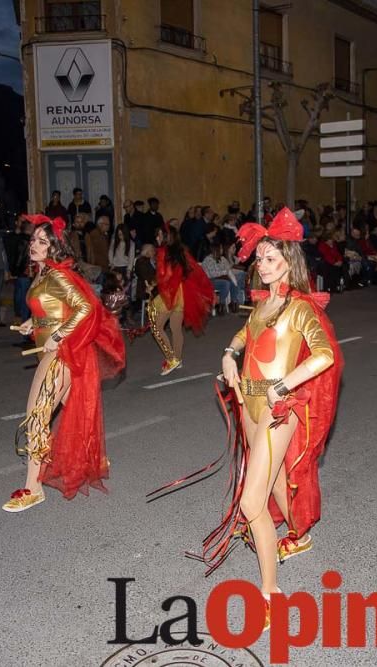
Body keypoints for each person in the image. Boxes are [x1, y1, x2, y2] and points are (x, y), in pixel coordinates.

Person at [212, 207, 342, 630]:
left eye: (271, 258)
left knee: (252, 501)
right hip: (248, 408)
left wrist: (285, 386)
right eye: (260, 258)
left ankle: (271, 594)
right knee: (270, 484)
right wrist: (229, 359)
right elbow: (241, 338)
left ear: (290, 261)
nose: (262, 265)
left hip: (277, 412)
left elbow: (325, 354)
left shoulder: (299, 308)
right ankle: (300, 534)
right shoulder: (261, 307)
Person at [3, 215, 125, 512]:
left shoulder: (57, 275)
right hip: (52, 351)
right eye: (33, 239)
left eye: (42, 242)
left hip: (62, 355)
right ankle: (94, 459)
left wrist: (57, 336)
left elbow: (85, 308)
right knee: (81, 408)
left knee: (36, 416)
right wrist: (32, 324)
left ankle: (33, 488)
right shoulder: (43, 274)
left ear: (55, 247)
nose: (34, 244)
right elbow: (53, 309)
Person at [147, 226, 215, 375]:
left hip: (171, 294)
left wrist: (154, 285)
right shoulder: (180, 252)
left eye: (159, 235)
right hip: (181, 293)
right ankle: (177, 359)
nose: (157, 238)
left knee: (156, 328)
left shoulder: (164, 252)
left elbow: (165, 276)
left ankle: (172, 359)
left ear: (166, 236)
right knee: (175, 328)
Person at [202, 243, 246, 313]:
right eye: (221, 248)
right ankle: (221, 304)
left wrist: (230, 276)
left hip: (223, 279)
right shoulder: (208, 259)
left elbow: (229, 270)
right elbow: (211, 274)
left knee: (233, 281)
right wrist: (225, 273)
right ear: (216, 249)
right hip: (210, 281)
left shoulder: (223, 259)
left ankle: (233, 302)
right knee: (226, 283)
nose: (222, 250)